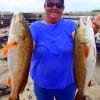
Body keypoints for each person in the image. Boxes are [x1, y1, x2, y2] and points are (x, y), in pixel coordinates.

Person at [29, 0, 87, 100]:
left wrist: (92, 30)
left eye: (59, 5)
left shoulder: (70, 25)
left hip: (68, 84)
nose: (55, 7)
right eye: (51, 4)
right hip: (42, 85)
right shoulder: (34, 28)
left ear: (63, 8)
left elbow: (81, 42)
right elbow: (28, 49)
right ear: (44, 6)